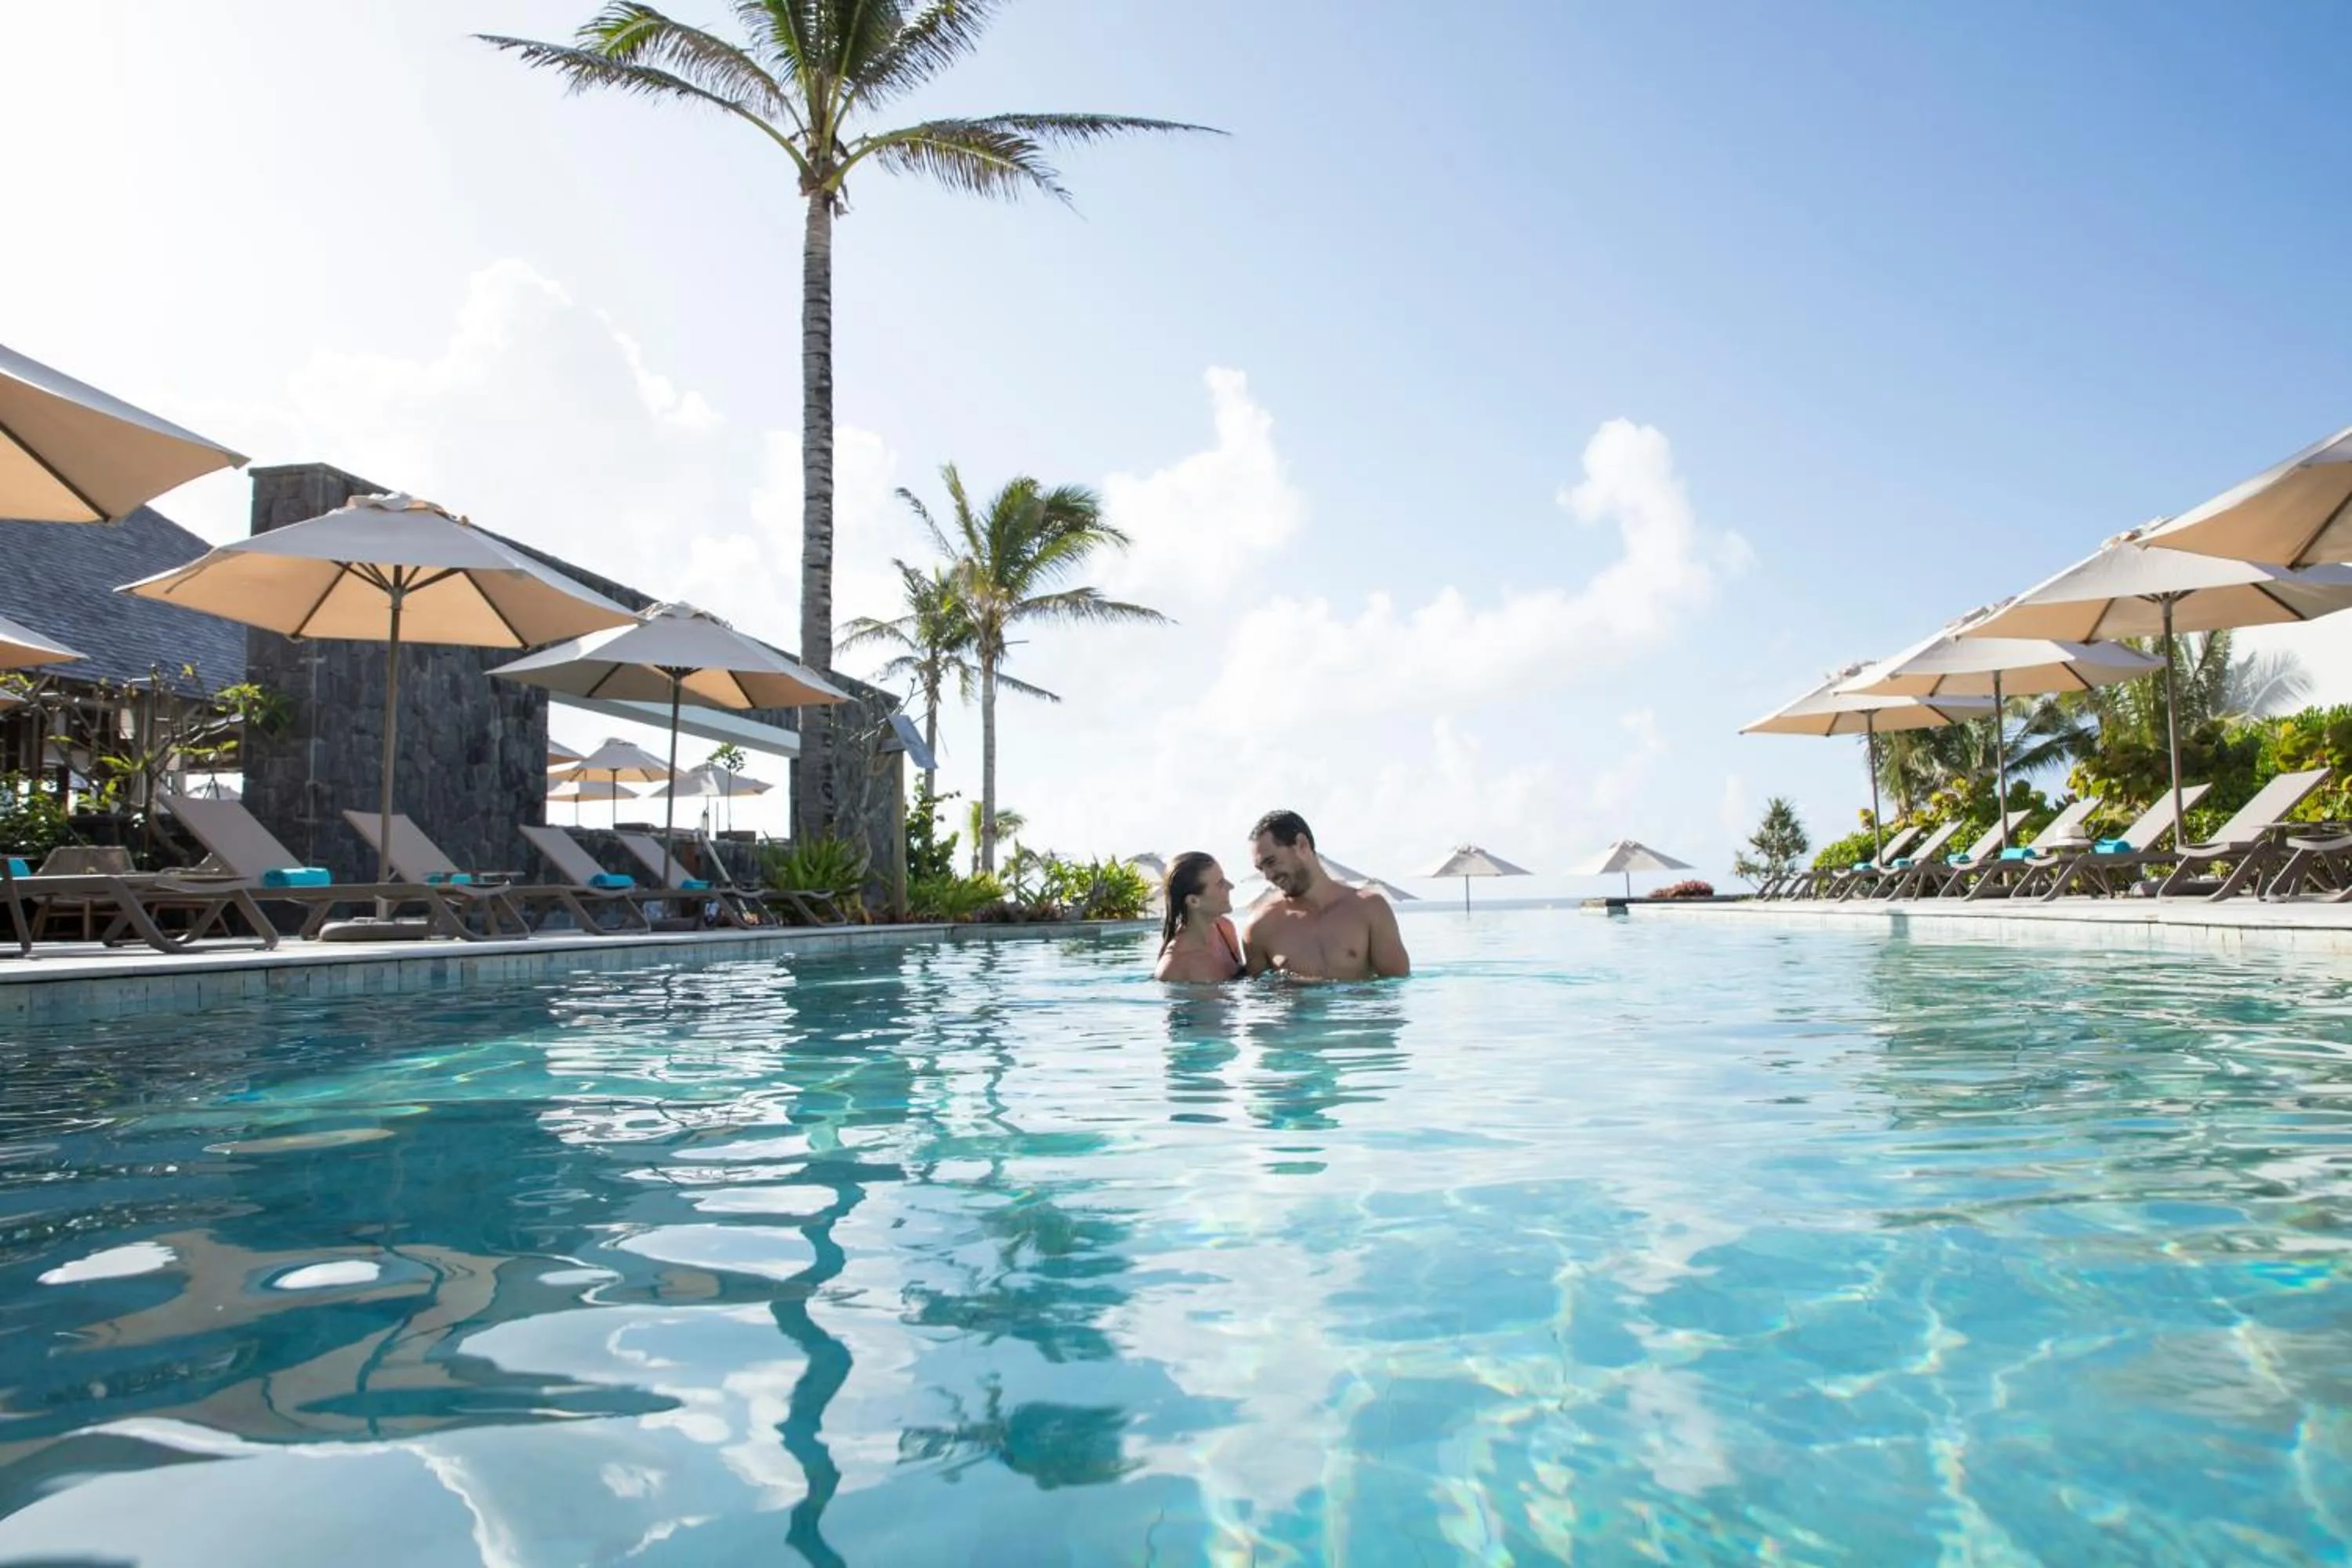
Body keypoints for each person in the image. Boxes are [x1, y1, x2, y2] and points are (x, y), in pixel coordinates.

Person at [1240, 809, 1410, 981]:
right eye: (1261, 868)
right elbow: (1260, 999)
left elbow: (1396, 988)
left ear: (1302, 845)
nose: (1268, 876)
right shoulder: (1260, 927)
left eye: (1271, 862)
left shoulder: (1370, 909)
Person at [1154, 851, 1244, 982]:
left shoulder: (1225, 929)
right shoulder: (1174, 969)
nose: (1231, 886)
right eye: (1220, 883)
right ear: (1194, 901)